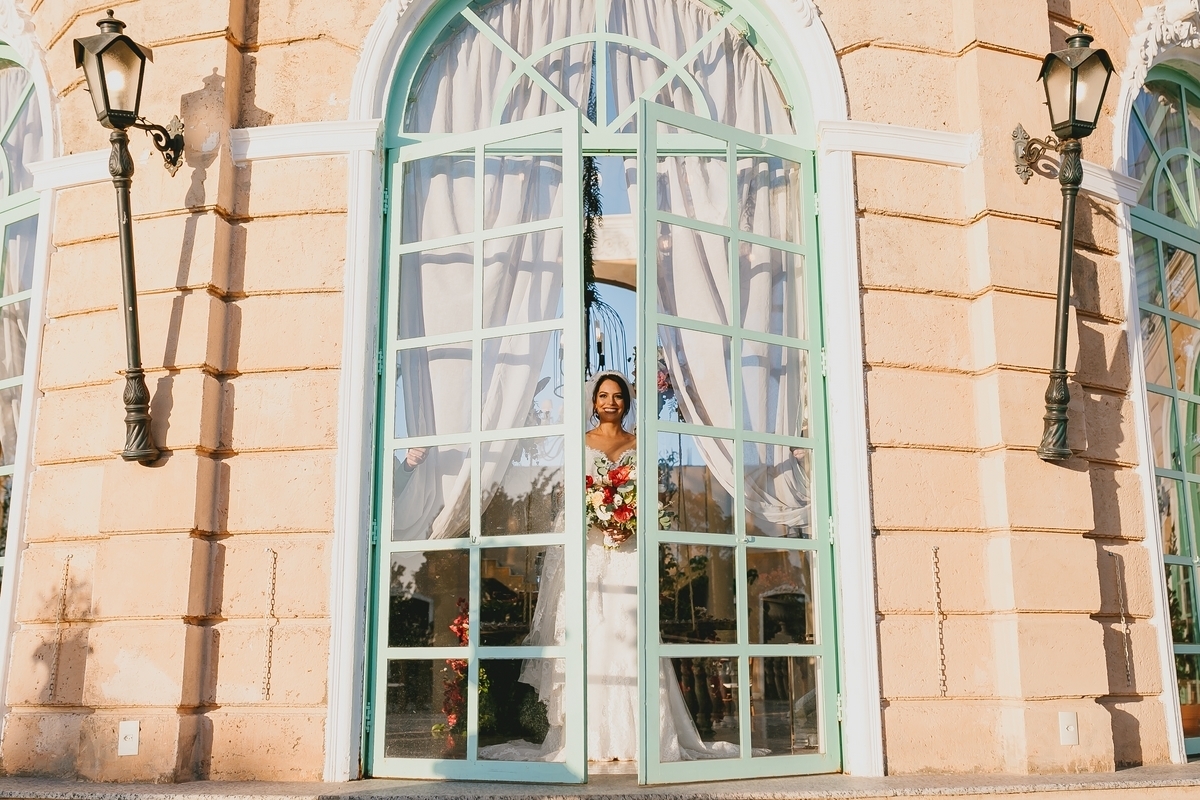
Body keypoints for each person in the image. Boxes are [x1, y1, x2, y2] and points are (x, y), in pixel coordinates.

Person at [479, 371, 749, 765]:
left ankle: (640, 736)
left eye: (618, 396)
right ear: (593, 402)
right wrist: (595, 516)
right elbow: (570, 495)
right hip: (588, 549)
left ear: (626, 402)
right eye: (603, 395)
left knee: (629, 629)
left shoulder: (640, 443)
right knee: (591, 630)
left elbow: (649, 494)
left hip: (627, 549)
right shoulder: (580, 442)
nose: (610, 402)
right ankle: (589, 737)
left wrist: (628, 521)